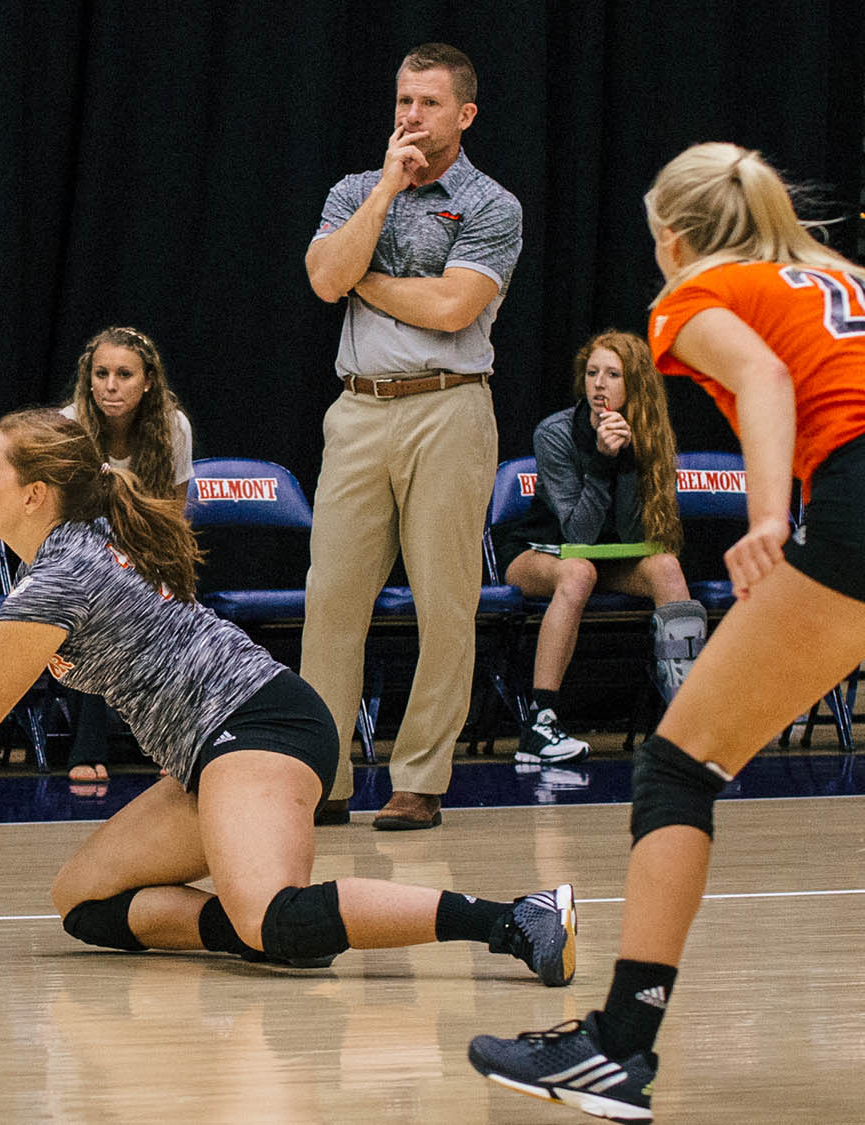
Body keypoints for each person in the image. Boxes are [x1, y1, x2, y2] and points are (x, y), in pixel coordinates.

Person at [467, 142, 865, 1121]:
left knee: (676, 769)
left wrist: (770, 517)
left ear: (672, 235)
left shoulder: (692, 294)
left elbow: (768, 380)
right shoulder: (854, 283)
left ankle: (616, 1048)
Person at [0, 408, 578, 984]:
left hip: (260, 724)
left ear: (35, 494)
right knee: (84, 901)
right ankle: (275, 934)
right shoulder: (70, 549)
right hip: (215, 747)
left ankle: (516, 919)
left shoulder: (58, 579)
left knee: (273, 911)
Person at [300, 42, 522, 829]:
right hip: (359, 407)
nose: (412, 116)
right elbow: (323, 279)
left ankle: (420, 777)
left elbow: (452, 308)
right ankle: (321, 777)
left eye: (429, 103)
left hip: (449, 406)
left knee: (444, 601)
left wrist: (359, 280)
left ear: (465, 114)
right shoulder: (355, 189)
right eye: (403, 100)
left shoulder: (492, 204)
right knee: (331, 599)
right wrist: (387, 190)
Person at [489, 331, 704, 766]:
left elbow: (635, 533)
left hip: (610, 555)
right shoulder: (555, 432)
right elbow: (578, 534)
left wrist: (629, 457)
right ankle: (540, 725)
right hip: (540, 551)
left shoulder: (650, 432)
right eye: (591, 373)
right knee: (579, 570)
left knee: (666, 567)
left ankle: (687, 720)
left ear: (635, 384)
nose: (599, 384)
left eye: (612, 374)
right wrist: (604, 460)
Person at [58, 326, 193, 786]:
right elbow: (57, 519)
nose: (110, 386)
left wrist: (158, 572)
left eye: (124, 374)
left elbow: (174, 516)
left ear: (148, 381)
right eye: (101, 374)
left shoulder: (173, 426)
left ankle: (176, 740)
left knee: (180, 611)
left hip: (146, 554)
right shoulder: (68, 425)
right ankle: (87, 746)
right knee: (97, 612)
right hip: (78, 557)